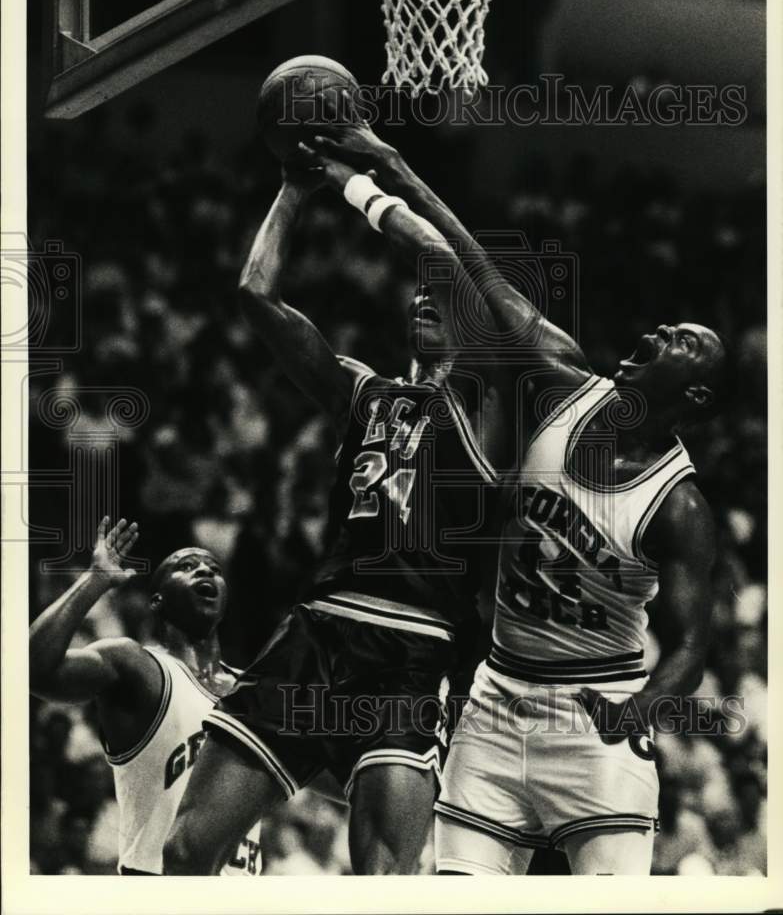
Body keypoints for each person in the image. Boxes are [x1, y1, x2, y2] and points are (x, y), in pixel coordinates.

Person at [306, 111, 728, 874]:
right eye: (666, 326)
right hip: (495, 702)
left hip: (592, 719)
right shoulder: (558, 382)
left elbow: (693, 646)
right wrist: (380, 175)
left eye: (683, 341)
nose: (662, 330)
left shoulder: (678, 507)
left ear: (692, 398)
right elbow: (469, 267)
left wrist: (637, 709)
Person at [163, 147, 507, 875]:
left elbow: (444, 257)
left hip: (413, 649)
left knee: (380, 875)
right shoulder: (365, 392)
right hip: (317, 629)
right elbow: (256, 296)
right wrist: (290, 189)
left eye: (439, 296)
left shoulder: (489, 399)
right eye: (416, 295)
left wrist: (360, 180)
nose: (425, 296)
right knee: (187, 848)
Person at [29, 517, 262, 875]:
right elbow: (31, 669)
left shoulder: (255, 691)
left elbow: (336, 770)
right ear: (158, 600)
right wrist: (95, 581)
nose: (204, 569)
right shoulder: (136, 666)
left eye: (213, 568)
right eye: (187, 566)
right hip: (157, 886)